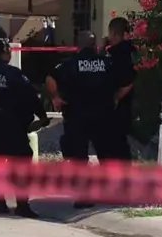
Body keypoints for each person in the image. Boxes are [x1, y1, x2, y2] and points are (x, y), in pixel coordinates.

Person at [0, 36, 49, 218]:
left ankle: (0, 204)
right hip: (12, 129)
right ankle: (22, 205)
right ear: (5, 53)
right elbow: (30, 97)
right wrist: (42, 116)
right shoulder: (14, 74)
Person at [46, 30, 117, 209]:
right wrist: (115, 98)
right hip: (103, 116)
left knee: (79, 158)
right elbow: (122, 81)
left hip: (76, 116)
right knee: (107, 154)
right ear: (95, 46)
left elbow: (50, 78)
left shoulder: (69, 64)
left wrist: (55, 97)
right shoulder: (107, 62)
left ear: (78, 46)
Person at [105, 17, 137, 160]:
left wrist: (116, 98)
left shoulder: (116, 53)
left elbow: (128, 81)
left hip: (119, 107)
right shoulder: (134, 51)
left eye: (110, 34)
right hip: (133, 106)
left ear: (115, 34)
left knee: (115, 146)